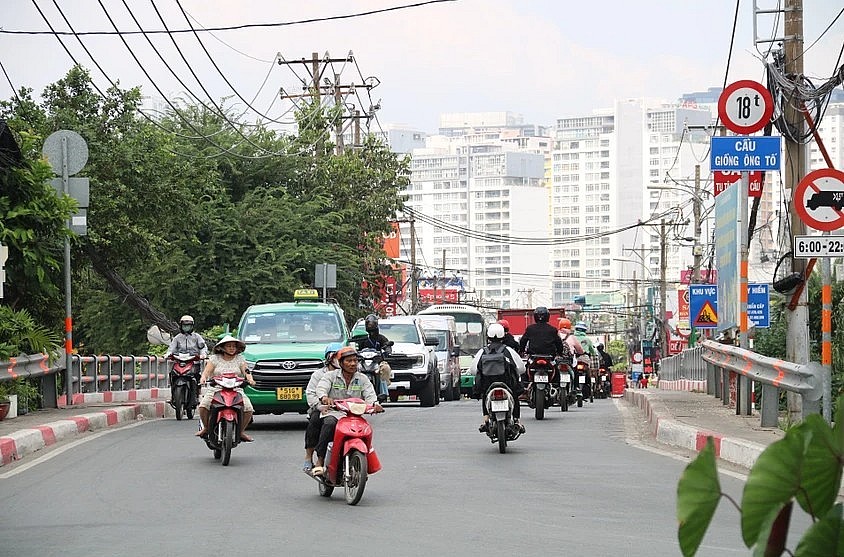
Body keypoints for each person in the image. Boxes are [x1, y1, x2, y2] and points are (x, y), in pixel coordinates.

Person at [312, 346, 383, 476]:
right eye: (349, 361)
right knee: (329, 424)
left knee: (366, 429)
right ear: (341, 363)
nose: (352, 364)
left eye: (355, 361)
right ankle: (320, 460)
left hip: (354, 416)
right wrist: (324, 398)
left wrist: (375, 405)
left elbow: (370, 395)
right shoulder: (330, 376)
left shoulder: (362, 379)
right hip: (334, 413)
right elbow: (321, 388)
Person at [195, 335, 256, 442]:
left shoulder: (240, 359)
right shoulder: (214, 359)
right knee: (203, 406)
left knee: (249, 408)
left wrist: (250, 380)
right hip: (217, 389)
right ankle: (206, 428)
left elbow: (246, 371)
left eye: (234, 346)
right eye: (229, 346)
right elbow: (206, 372)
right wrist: (203, 378)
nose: (232, 348)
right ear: (222, 348)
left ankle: (241, 431)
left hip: (236, 389)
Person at [471, 323, 526, 433]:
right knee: (514, 395)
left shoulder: (482, 352)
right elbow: (521, 368)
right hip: (507, 385)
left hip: (488, 385)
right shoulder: (508, 350)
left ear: (488, 336)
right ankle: (516, 421)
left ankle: (486, 420)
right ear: (503, 336)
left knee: (485, 394)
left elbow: (473, 370)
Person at [303, 342, 343, 473]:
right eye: (338, 357)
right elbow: (310, 393)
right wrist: (320, 406)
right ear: (330, 358)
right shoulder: (319, 375)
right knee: (321, 421)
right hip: (322, 409)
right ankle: (313, 458)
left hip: (345, 411)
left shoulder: (353, 375)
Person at [163, 315, 209, 404]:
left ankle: (197, 395)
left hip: (193, 361)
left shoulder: (197, 337)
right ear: (181, 326)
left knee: (196, 377)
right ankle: (173, 395)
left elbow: (203, 347)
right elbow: (171, 348)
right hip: (180, 361)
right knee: (172, 375)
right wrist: (167, 354)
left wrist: (203, 355)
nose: (186, 327)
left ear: (192, 326)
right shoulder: (177, 338)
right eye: (184, 325)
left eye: (188, 325)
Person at [357, 313, 392, 403]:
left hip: (378, 361)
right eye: (369, 323)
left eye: (372, 324)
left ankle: (384, 392)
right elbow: (356, 347)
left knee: (385, 368)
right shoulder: (362, 338)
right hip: (363, 362)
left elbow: (387, 346)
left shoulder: (381, 338)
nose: (370, 325)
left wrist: (387, 350)